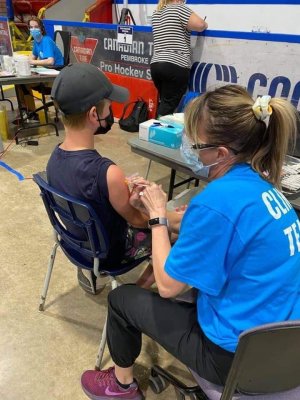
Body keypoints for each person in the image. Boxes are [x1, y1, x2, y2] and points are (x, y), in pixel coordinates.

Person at [80, 84, 300, 400]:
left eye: (193, 142)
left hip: (232, 358)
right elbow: (211, 224)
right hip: (283, 347)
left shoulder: (216, 202)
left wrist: (156, 218)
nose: (187, 146)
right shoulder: (264, 187)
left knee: (122, 300)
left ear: (221, 153)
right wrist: (161, 211)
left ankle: (122, 386)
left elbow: (169, 285)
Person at [47, 63, 182, 294]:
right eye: (108, 107)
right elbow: (139, 221)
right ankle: (136, 291)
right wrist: (167, 213)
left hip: (76, 244)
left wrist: (118, 190)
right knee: (176, 233)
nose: (110, 114)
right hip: (110, 253)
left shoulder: (53, 160)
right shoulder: (107, 172)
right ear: (93, 114)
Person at [150, 0, 207, 117]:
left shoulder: (157, 13)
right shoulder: (179, 8)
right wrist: (205, 24)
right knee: (167, 107)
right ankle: (157, 133)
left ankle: (158, 129)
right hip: (175, 64)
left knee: (165, 103)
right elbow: (200, 25)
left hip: (156, 64)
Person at [16, 17, 64, 119]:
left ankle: (31, 114)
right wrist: (22, 61)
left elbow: (50, 61)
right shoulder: (36, 42)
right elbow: (32, 58)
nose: (34, 29)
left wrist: (32, 62)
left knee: (23, 83)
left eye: (36, 27)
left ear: (41, 29)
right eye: (31, 27)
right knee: (20, 83)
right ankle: (27, 111)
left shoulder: (46, 40)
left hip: (55, 76)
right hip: (45, 72)